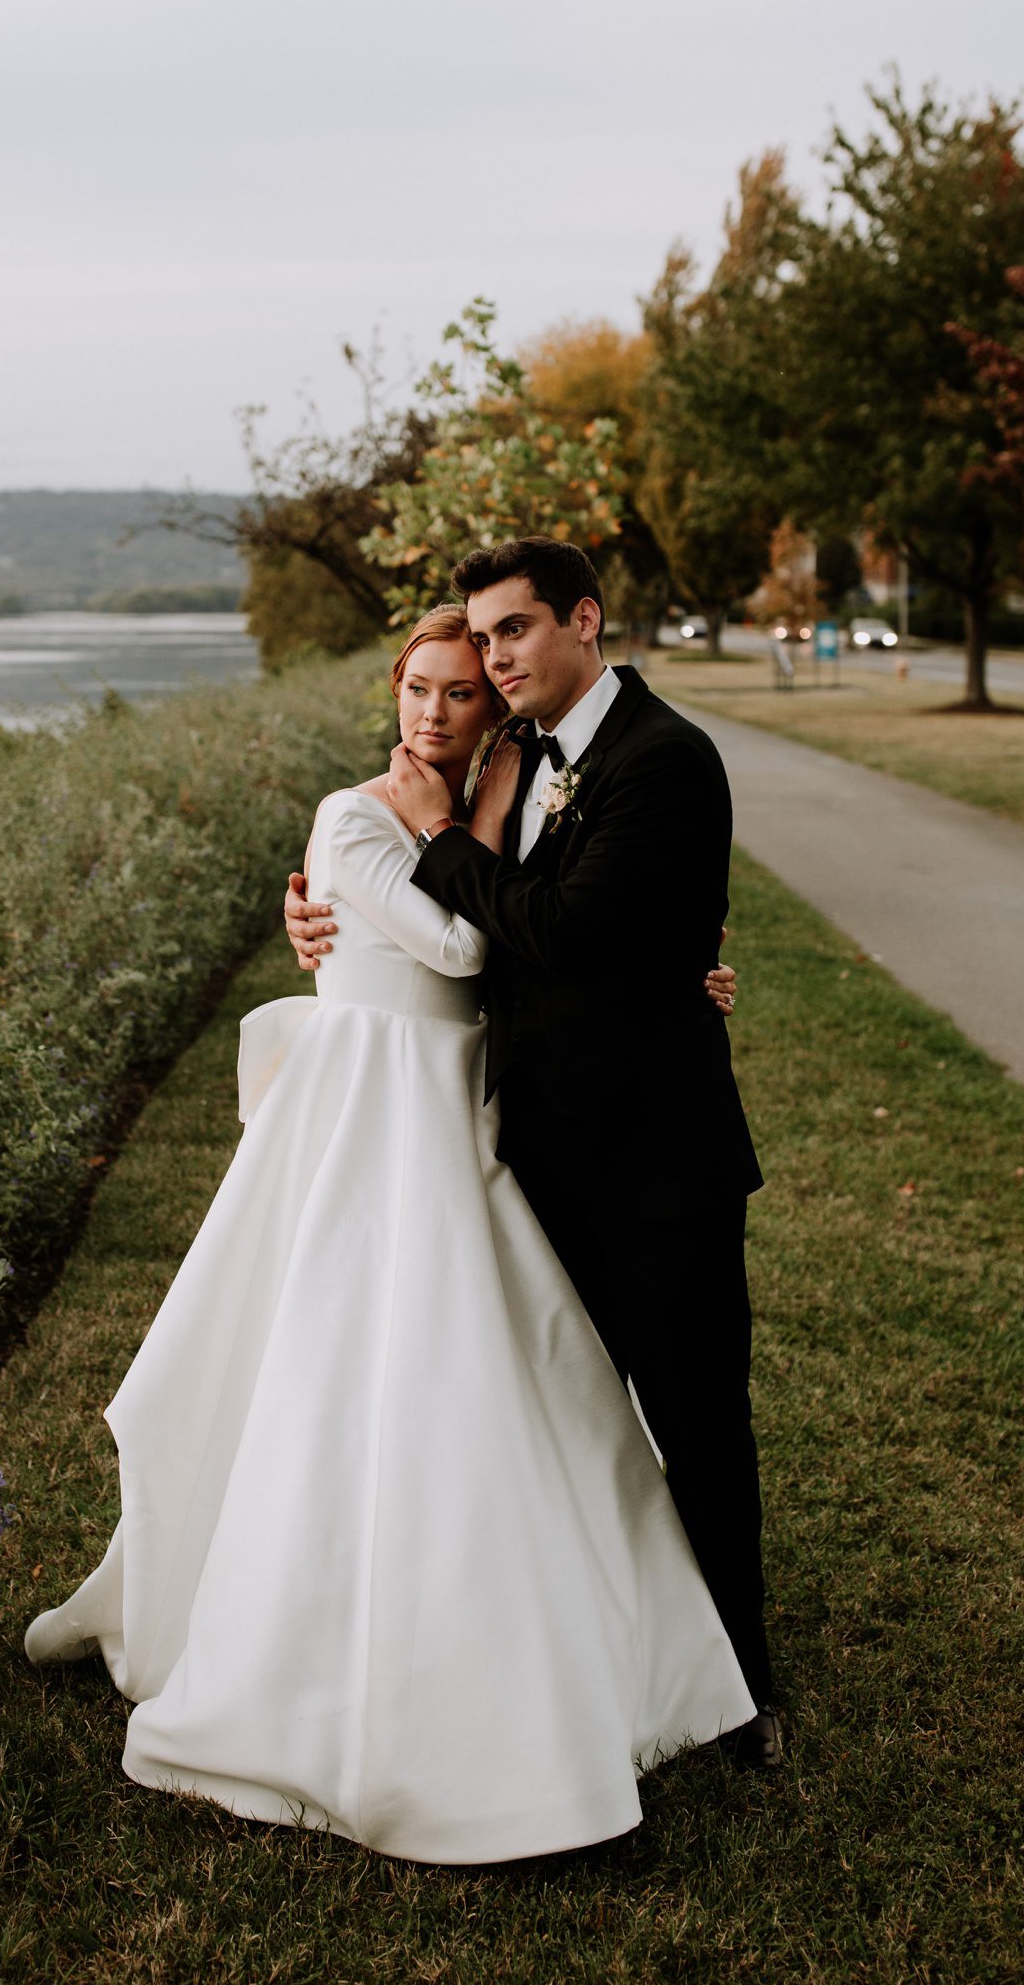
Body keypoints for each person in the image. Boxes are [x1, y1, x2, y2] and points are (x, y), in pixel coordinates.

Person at [25, 605, 756, 1864]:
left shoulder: (528, 803)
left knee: (514, 1381)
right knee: (353, 1369)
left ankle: (612, 1639)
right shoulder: (355, 815)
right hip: (378, 1128)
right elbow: (467, 938)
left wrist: (675, 967)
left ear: (498, 709)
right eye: (416, 688)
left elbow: (565, 927)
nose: (431, 712)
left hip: (474, 1114)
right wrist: (430, 839)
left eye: (462, 693)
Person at [286, 539, 779, 1765]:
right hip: (532, 1155)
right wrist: (327, 929)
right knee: (560, 1420)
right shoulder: (523, 759)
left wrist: (433, 832)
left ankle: (741, 1687)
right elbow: (448, 930)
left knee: (696, 1423)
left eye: (514, 632)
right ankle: (593, 1646)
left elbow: (561, 928)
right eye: (480, 639)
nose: (495, 658)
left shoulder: (663, 759)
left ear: (584, 620)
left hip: (655, 1163)